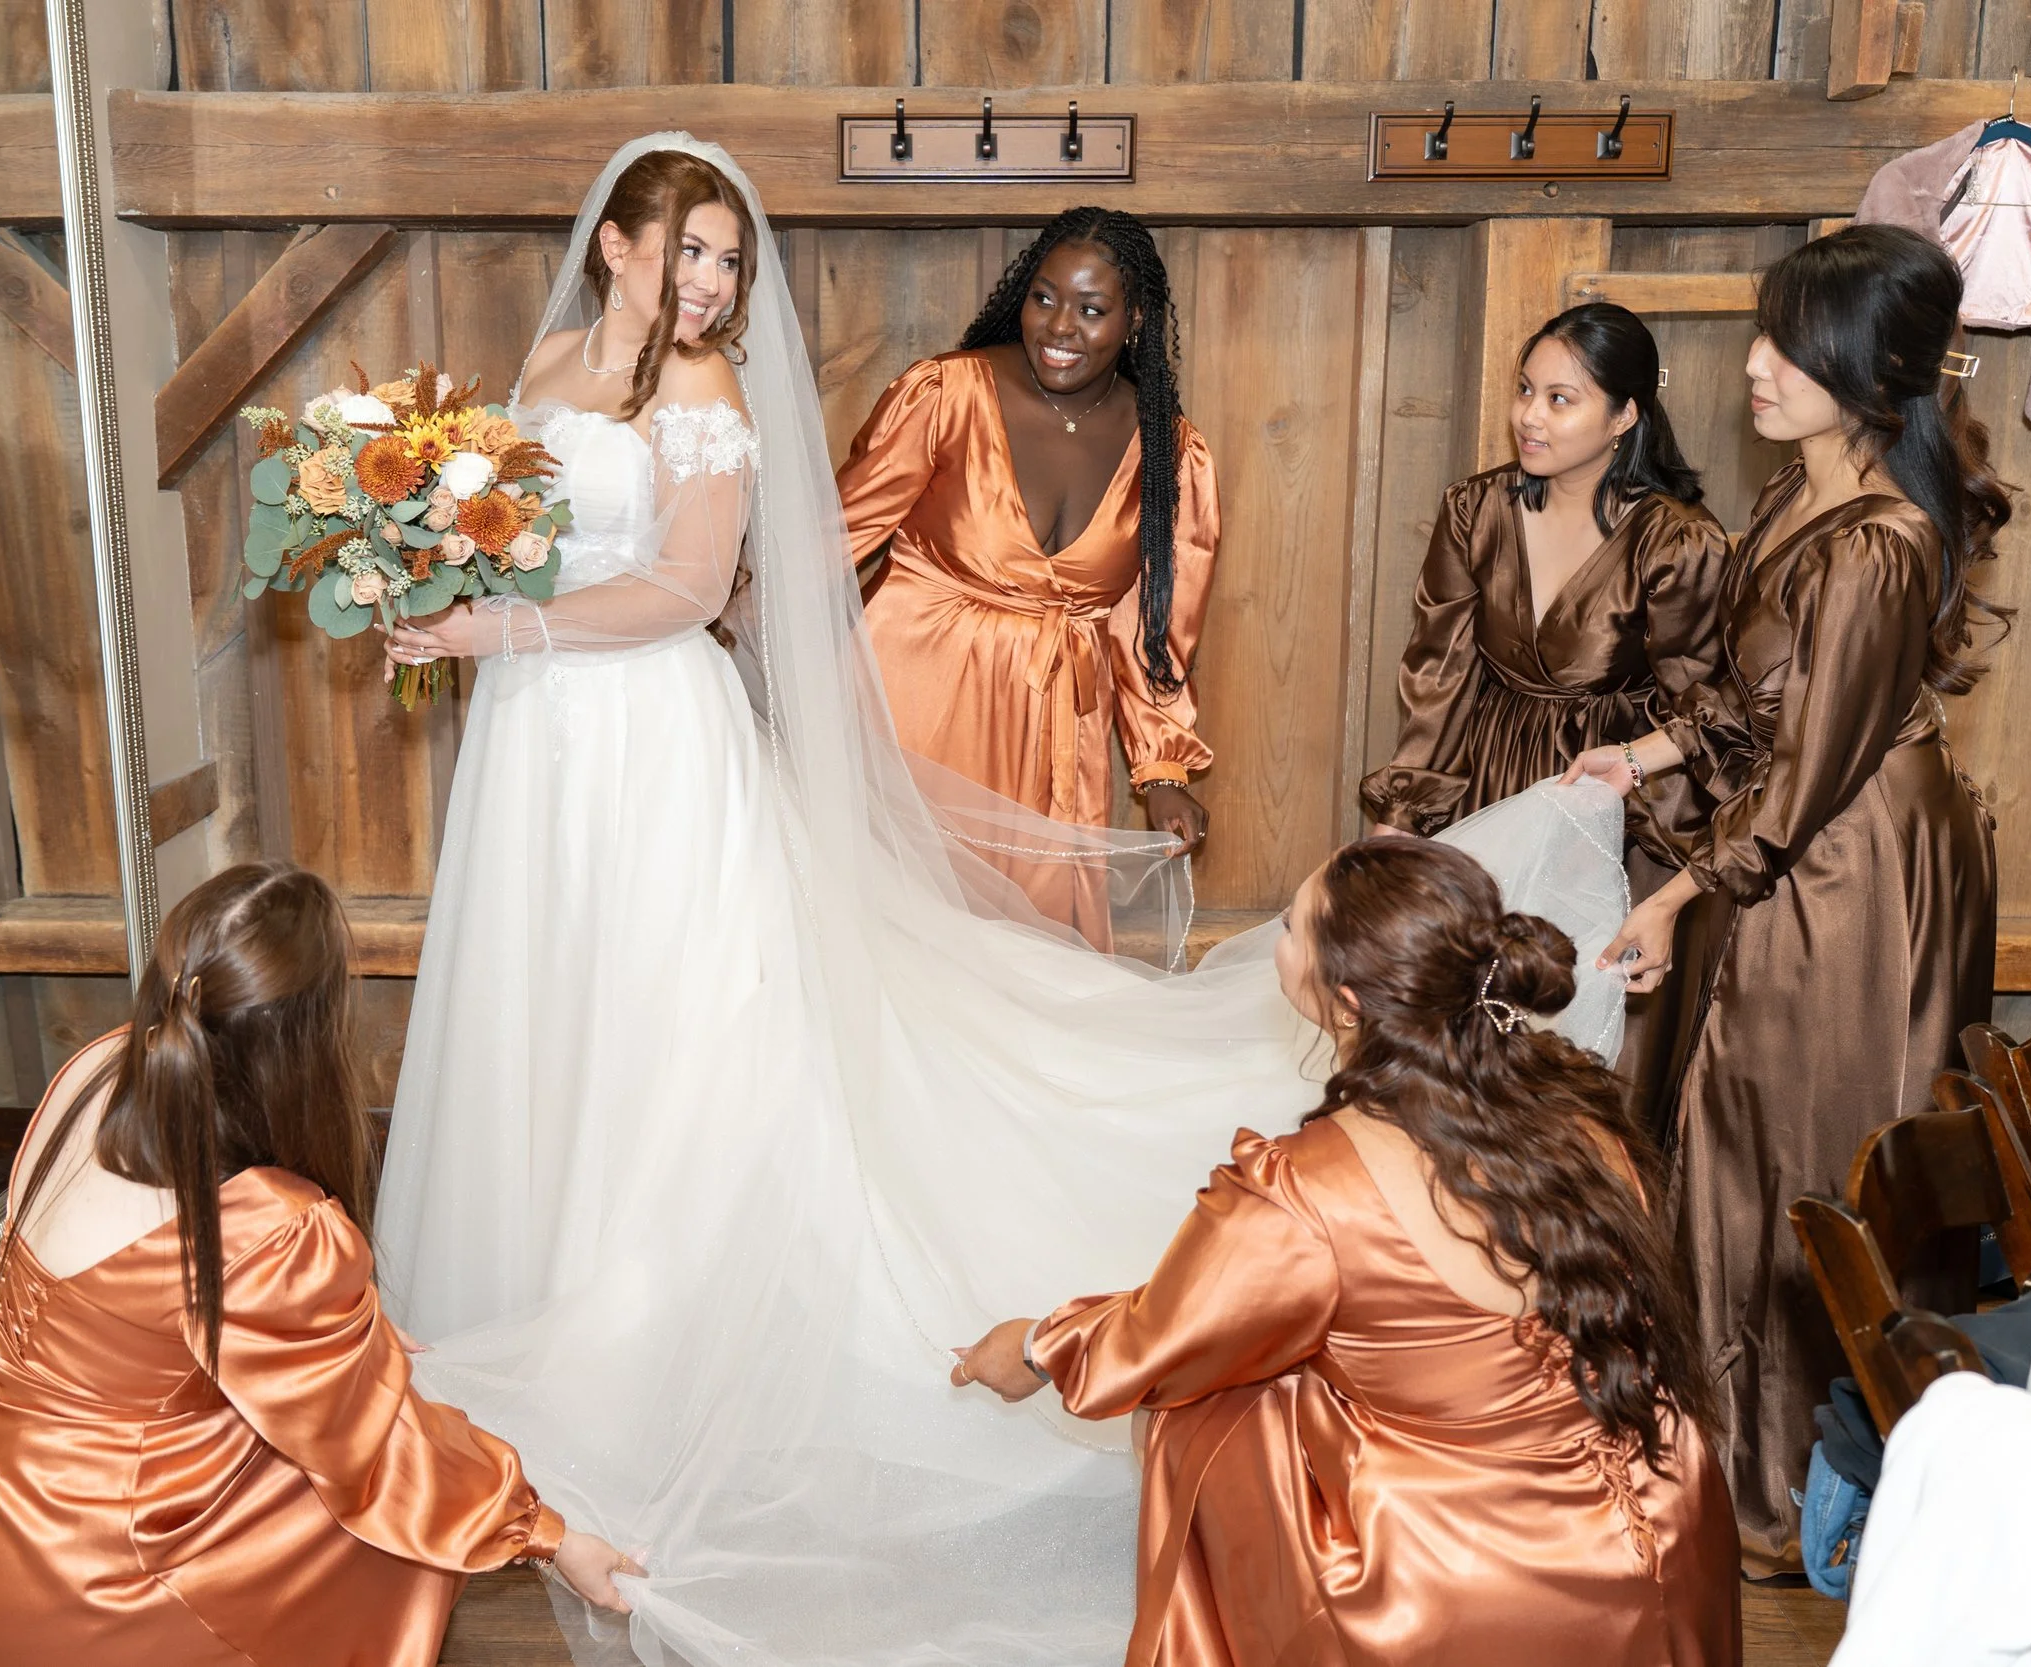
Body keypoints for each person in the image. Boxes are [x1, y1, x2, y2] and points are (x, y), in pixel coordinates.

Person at [371, 132, 1634, 1667]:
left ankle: (679, 1295)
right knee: (553, 995)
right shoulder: (662, 372)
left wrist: (1168, 759)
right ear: (621, 247)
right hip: (684, 715)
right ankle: (553, 1266)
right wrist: (438, 583)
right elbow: (802, 552)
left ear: (1132, 325)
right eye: (691, 253)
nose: (712, 283)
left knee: (762, 1001)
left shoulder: (1106, 441)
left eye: (729, 260)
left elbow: (1128, 617)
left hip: (941, 720)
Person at [956, 837, 1741, 1667]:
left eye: (1289, 927)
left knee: (1217, 1404)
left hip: (1472, 1582)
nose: (1273, 938)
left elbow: (1158, 1340)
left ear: (1345, 1000)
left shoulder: (1305, 1188)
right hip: (1671, 1527)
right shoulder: (1584, 1116)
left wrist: (1038, 1345)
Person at [0, 863, 639, 1667]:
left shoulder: (99, 1070)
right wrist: (547, 1534)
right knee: (356, 1514)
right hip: (85, 1591)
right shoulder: (268, 1229)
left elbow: (150, 1327)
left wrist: (349, 1333)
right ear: (300, 1048)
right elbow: (384, 1451)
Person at [1566, 224, 2008, 1575]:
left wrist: (1678, 896)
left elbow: (1813, 763)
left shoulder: (1876, 543)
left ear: (1869, 372)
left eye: (1786, 346)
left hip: (1850, 867)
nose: (1753, 365)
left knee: (1798, 1147)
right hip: (1790, 848)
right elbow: (1752, 699)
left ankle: (1787, 1484)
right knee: (1731, 1134)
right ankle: (1721, 1449)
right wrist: (1639, 751)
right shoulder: (1796, 495)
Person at [1361, 303, 1728, 1133]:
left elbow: (1708, 701)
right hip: (1487, 786)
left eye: (1562, 398)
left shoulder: (1677, 541)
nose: (1530, 415)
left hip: (1611, 805)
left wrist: (1661, 850)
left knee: (1582, 1063)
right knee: (1465, 1044)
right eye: (1526, 390)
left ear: (1625, 414)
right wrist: (1402, 817)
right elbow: (1438, 672)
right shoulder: (1475, 510)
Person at [836, 209, 1219, 939]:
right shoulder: (945, 395)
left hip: (1054, 734)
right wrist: (740, 638)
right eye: (1044, 298)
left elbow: (1150, 628)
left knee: (1035, 949)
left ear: (1135, 319)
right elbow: (836, 533)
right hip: (912, 709)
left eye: (1092, 309)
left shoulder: (1170, 454)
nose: (1059, 327)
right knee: (905, 937)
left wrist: (1162, 769)